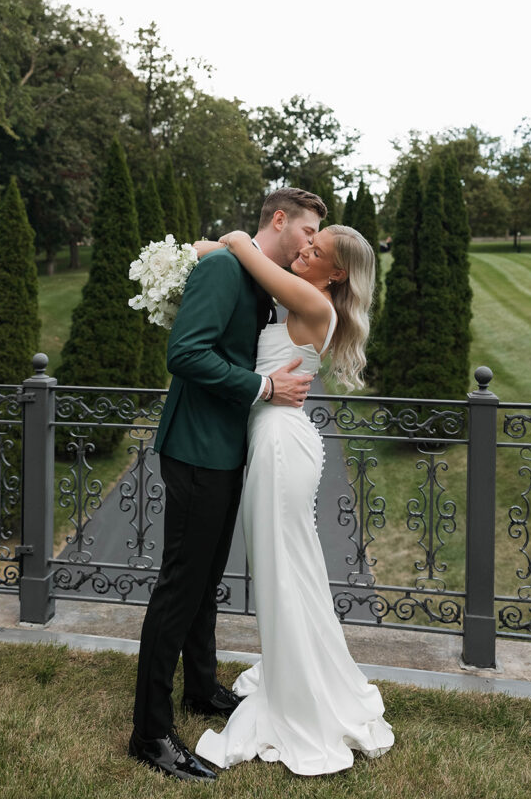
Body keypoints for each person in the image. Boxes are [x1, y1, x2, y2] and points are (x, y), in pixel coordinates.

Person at [129, 187, 327, 782]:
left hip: (223, 450)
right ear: (279, 219)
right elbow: (184, 353)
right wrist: (264, 390)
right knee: (179, 589)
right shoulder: (222, 269)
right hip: (195, 451)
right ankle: (150, 732)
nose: (313, 242)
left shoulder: (251, 273)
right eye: (310, 231)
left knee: (204, 581)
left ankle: (201, 690)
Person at [194, 224, 395, 776]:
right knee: (288, 568)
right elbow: (241, 266)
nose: (304, 250)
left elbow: (246, 255)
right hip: (274, 437)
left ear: (335, 272)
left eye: (317, 249)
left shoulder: (310, 297)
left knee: (283, 569)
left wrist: (234, 237)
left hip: (282, 443)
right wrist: (184, 257)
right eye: (307, 243)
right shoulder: (305, 292)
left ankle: (298, 700)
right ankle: (298, 673)